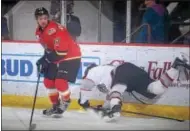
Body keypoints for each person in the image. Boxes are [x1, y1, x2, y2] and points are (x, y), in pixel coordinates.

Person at [78, 55, 190, 121]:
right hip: (133, 73)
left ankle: (116, 108)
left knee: (118, 87)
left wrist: (83, 102)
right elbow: (110, 95)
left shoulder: (93, 71)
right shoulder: (105, 78)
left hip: (123, 70)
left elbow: (86, 85)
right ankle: (176, 66)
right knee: (155, 90)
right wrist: (105, 108)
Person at [35, 7, 81, 117]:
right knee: (48, 82)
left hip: (70, 56)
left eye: (45, 18)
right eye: (41, 18)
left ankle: (66, 101)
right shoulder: (38, 31)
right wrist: (43, 59)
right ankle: (55, 105)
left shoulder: (56, 29)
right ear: (37, 19)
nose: (43, 20)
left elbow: (61, 52)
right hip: (56, 56)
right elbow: (49, 49)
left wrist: (46, 59)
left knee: (60, 82)